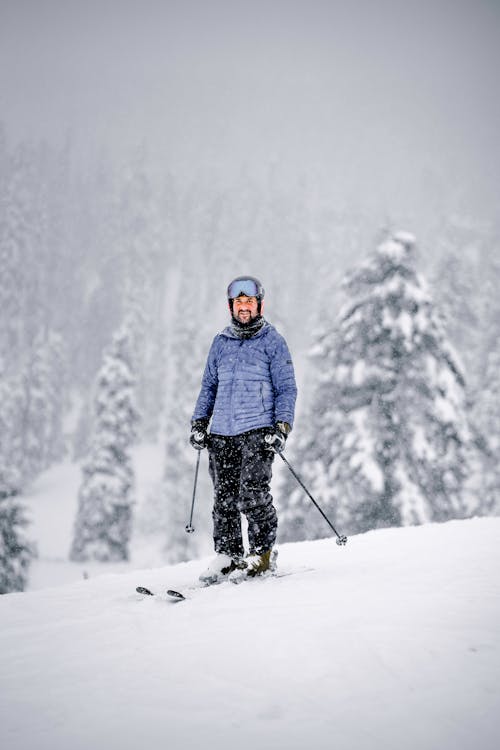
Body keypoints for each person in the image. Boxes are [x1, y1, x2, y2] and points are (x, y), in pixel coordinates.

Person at [190, 275, 297, 582]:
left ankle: (262, 555)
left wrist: (282, 425)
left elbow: (286, 388)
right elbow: (209, 387)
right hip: (222, 433)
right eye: (239, 303)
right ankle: (229, 556)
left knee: (252, 493)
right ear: (231, 307)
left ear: (259, 305)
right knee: (224, 498)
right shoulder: (220, 343)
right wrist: (200, 422)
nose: (244, 308)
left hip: (258, 430)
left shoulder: (272, 342)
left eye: (249, 302)